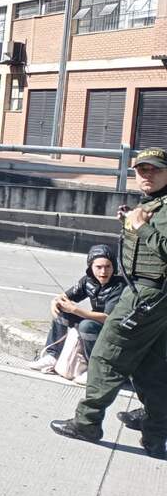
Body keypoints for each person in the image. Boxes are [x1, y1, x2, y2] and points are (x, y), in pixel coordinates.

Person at [51, 147, 167, 460]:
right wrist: (131, 226)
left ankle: (87, 423)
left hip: (147, 295)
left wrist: (141, 228)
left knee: (106, 354)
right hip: (154, 297)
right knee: (151, 366)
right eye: (142, 169)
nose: (146, 175)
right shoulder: (154, 204)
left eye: (154, 169)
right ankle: (156, 435)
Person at [29, 245, 125, 384]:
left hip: (113, 327)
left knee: (86, 326)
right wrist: (55, 302)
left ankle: (93, 370)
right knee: (62, 312)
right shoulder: (87, 281)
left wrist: (75, 310)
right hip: (94, 320)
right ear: (90, 267)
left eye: (108, 266)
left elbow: (107, 318)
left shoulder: (119, 286)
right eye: (98, 267)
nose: (103, 271)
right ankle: (52, 356)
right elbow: (63, 298)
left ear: (114, 267)